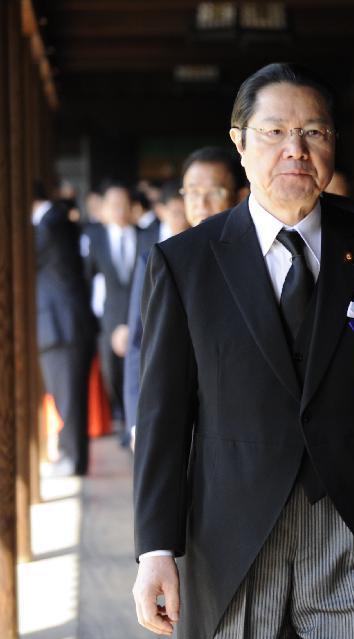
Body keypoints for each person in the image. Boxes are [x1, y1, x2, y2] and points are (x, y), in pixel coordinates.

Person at [131, 63, 354, 639]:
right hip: (233, 535)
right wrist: (155, 548)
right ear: (240, 142)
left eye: (315, 133)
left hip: (353, 526)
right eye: (275, 132)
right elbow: (163, 417)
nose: (296, 151)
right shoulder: (187, 263)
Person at [123, 149, 246, 441]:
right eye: (191, 192)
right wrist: (137, 419)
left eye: (214, 192)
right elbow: (138, 345)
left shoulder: (262, 256)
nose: (201, 204)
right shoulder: (160, 259)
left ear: (241, 195)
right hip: (179, 418)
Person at [82, 180, 155, 444]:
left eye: (123, 204)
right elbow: (88, 279)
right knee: (112, 374)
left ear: (133, 207)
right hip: (109, 318)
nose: (118, 209)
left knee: (139, 372)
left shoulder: (148, 234)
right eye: (113, 204)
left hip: (141, 315)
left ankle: (132, 426)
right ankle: (123, 419)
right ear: (103, 207)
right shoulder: (95, 237)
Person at [33, 180, 96, 476]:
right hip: (62, 324)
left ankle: (73, 459)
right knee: (65, 395)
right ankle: (71, 457)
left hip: (63, 326)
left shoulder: (49, 224)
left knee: (68, 396)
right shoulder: (54, 220)